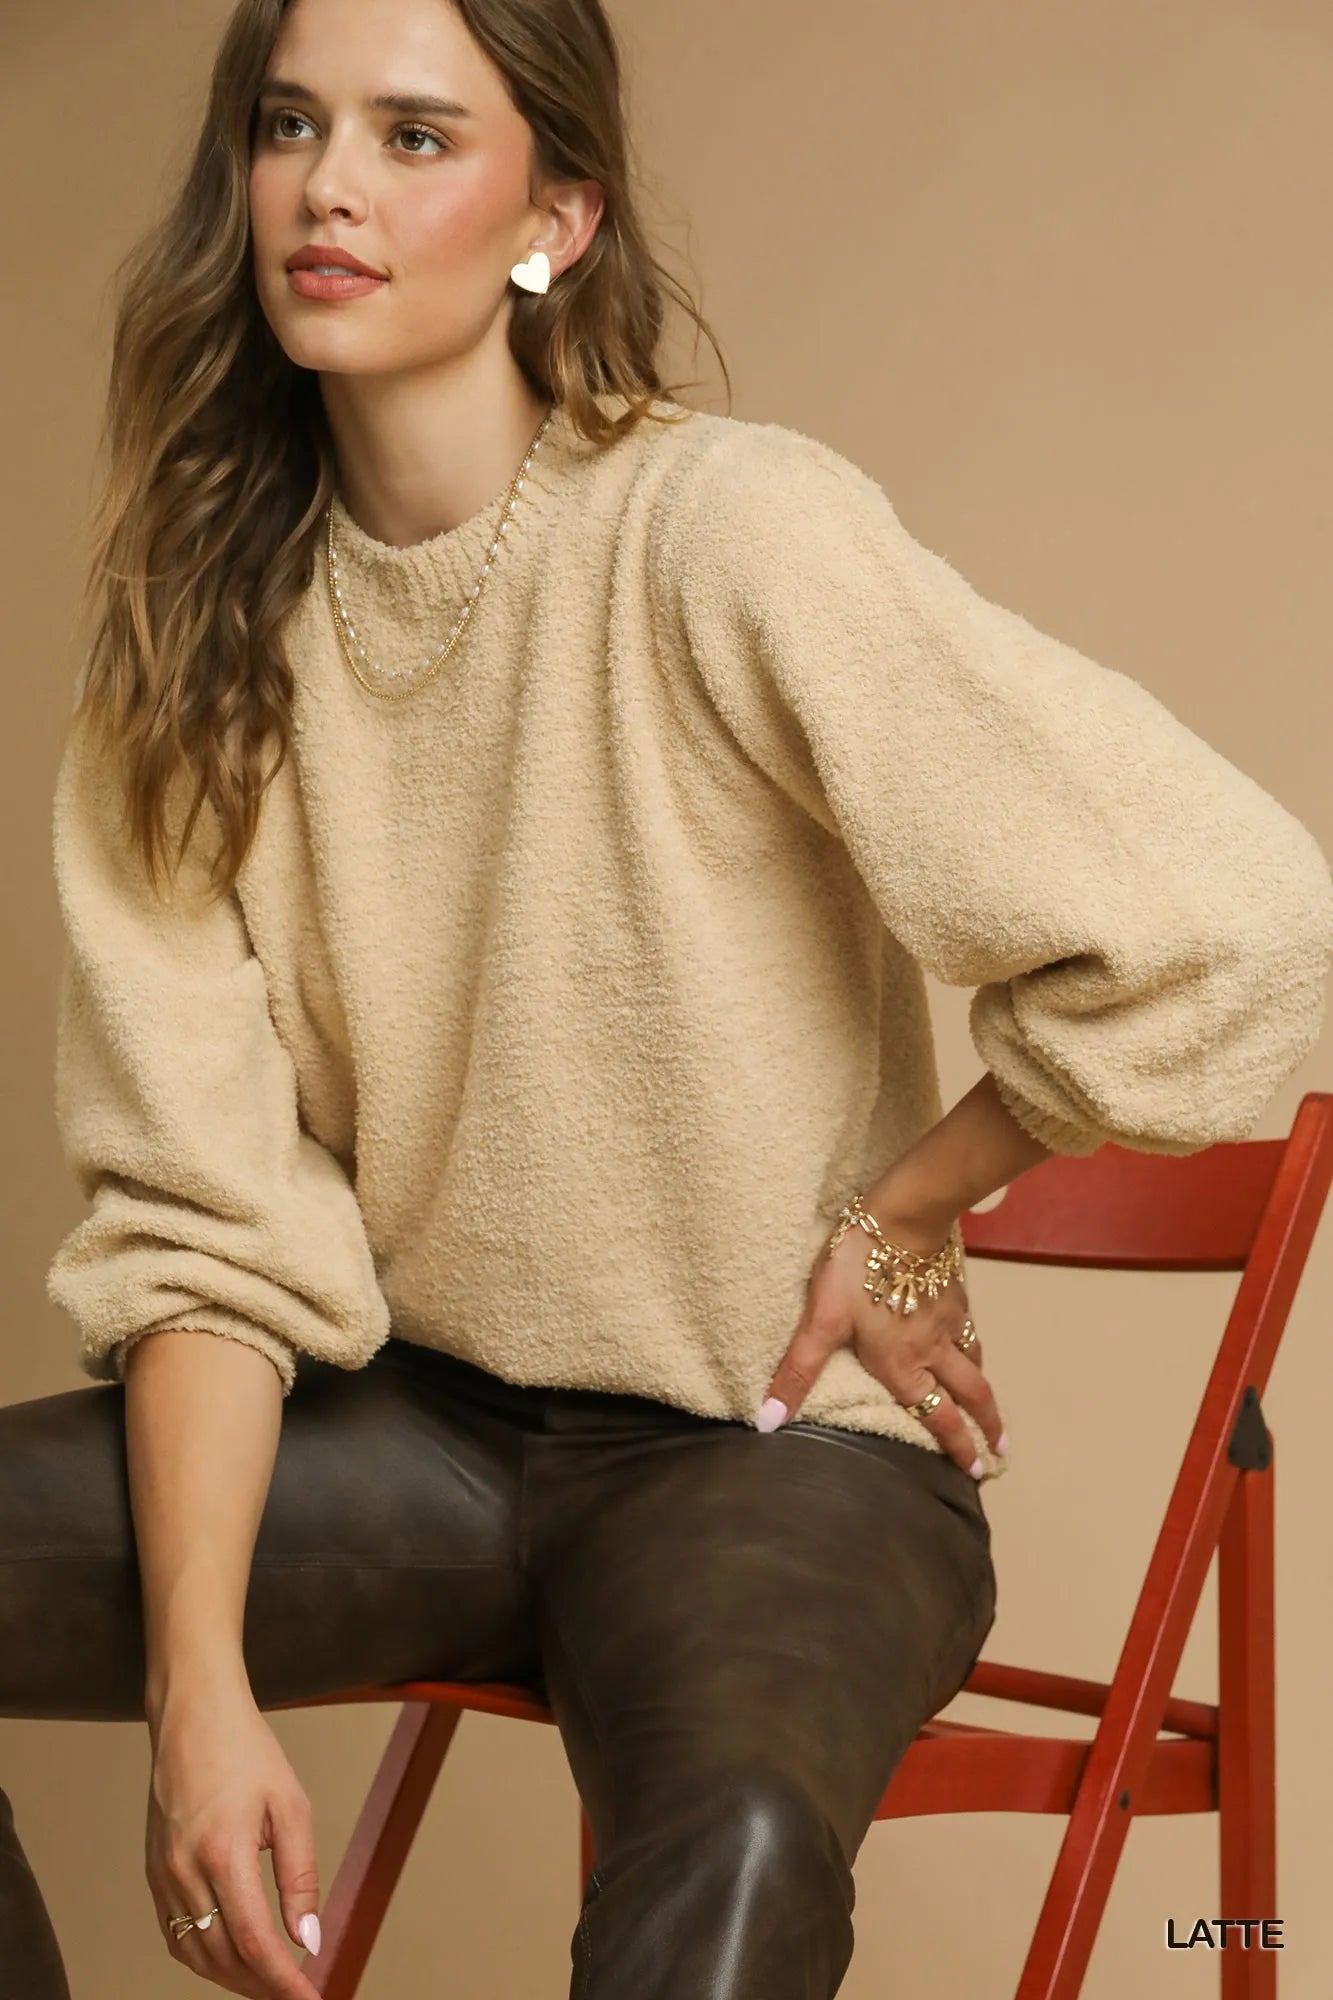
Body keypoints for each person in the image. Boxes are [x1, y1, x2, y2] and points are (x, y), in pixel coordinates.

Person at [5, 0, 1333, 1994]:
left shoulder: (720, 532)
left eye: (413, 136)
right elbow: (207, 1227)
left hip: (778, 1455)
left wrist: (909, 1199)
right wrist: (199, 1696)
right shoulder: (189, 651)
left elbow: (1239, 914)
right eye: (289, 124)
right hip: (419, 1439)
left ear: (557, 220)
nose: (330, 187)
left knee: (736, 1843)